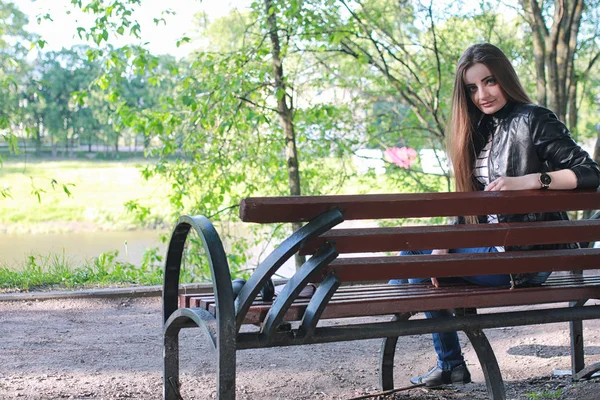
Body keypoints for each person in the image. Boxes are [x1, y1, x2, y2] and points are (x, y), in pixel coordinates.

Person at [391, 43, 600, 389]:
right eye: (472, 88)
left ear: (504, 78)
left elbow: (590, 173)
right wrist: (444, 242)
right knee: (419, 258)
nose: (482, 94)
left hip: (522, 259)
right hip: (490, 252)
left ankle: (444, 357)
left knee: (413, 263)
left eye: (489, 82)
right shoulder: (479, 131)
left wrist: (532, 180)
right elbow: (471, 205)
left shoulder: (533, 119)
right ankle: (436, 344)